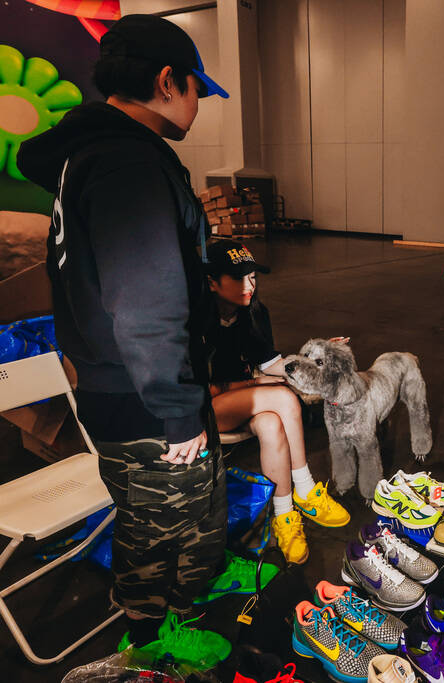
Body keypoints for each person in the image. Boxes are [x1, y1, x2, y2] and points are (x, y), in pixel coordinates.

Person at [18, 14, 234, 666]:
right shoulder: (127, 163)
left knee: (178, 509)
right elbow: (144, 304)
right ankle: (148, 643)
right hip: (143, 398)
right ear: (167, 80)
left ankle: (174, 615)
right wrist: (175, 409)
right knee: (157, 521)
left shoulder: (92, 156)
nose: (199, 103)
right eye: (197, 87)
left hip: (123, 386)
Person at [202, 239, 350, 565]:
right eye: (239, 278)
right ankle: (306, 488)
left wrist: (314, 359)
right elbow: (205, 391)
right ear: (212, 281)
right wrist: (255, 383)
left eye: (253, 277)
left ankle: (284, 517)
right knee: (282, 397)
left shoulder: (253, 313)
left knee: (271, 422)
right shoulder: (194, 320)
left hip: (242, 401)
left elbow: (271, 364)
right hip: (201, 412)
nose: (249, 286)